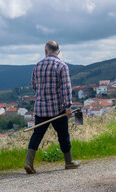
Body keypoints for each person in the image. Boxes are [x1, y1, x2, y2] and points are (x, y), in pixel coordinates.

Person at [24, 41, 81, 174]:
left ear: (45, 51)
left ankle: (29, 163)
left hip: (40, 109)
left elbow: (34, 85)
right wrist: (68, 106)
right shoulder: (62, 66)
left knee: (37, 135)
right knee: (63, 135)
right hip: (57, 109)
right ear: (58, 52)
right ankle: (69, 162)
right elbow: (66, 88)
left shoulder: (37, 66)